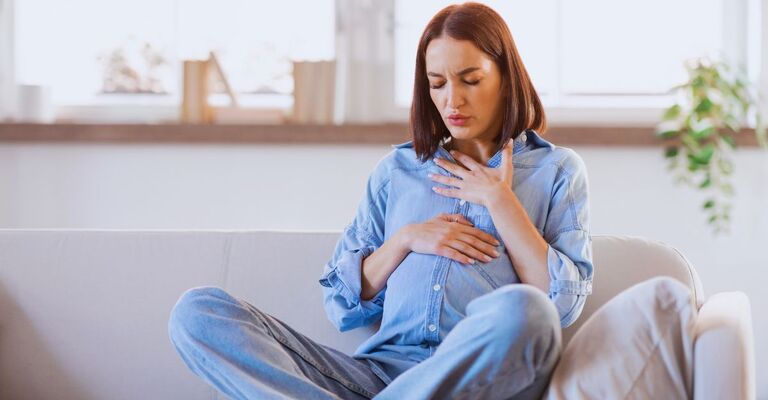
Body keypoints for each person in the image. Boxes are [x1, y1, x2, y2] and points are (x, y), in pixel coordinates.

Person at [168, 3, 695, 399]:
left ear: (506, 76)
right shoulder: (396, 171)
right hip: (377, 374)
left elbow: (560, 305)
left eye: (470, 80)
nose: (452, 100)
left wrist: (499, 201)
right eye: (438, 83)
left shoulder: (557, 171)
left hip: (475, 374)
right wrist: (405, 240)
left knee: (526, 312)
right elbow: (341, 303)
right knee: (197, 312)